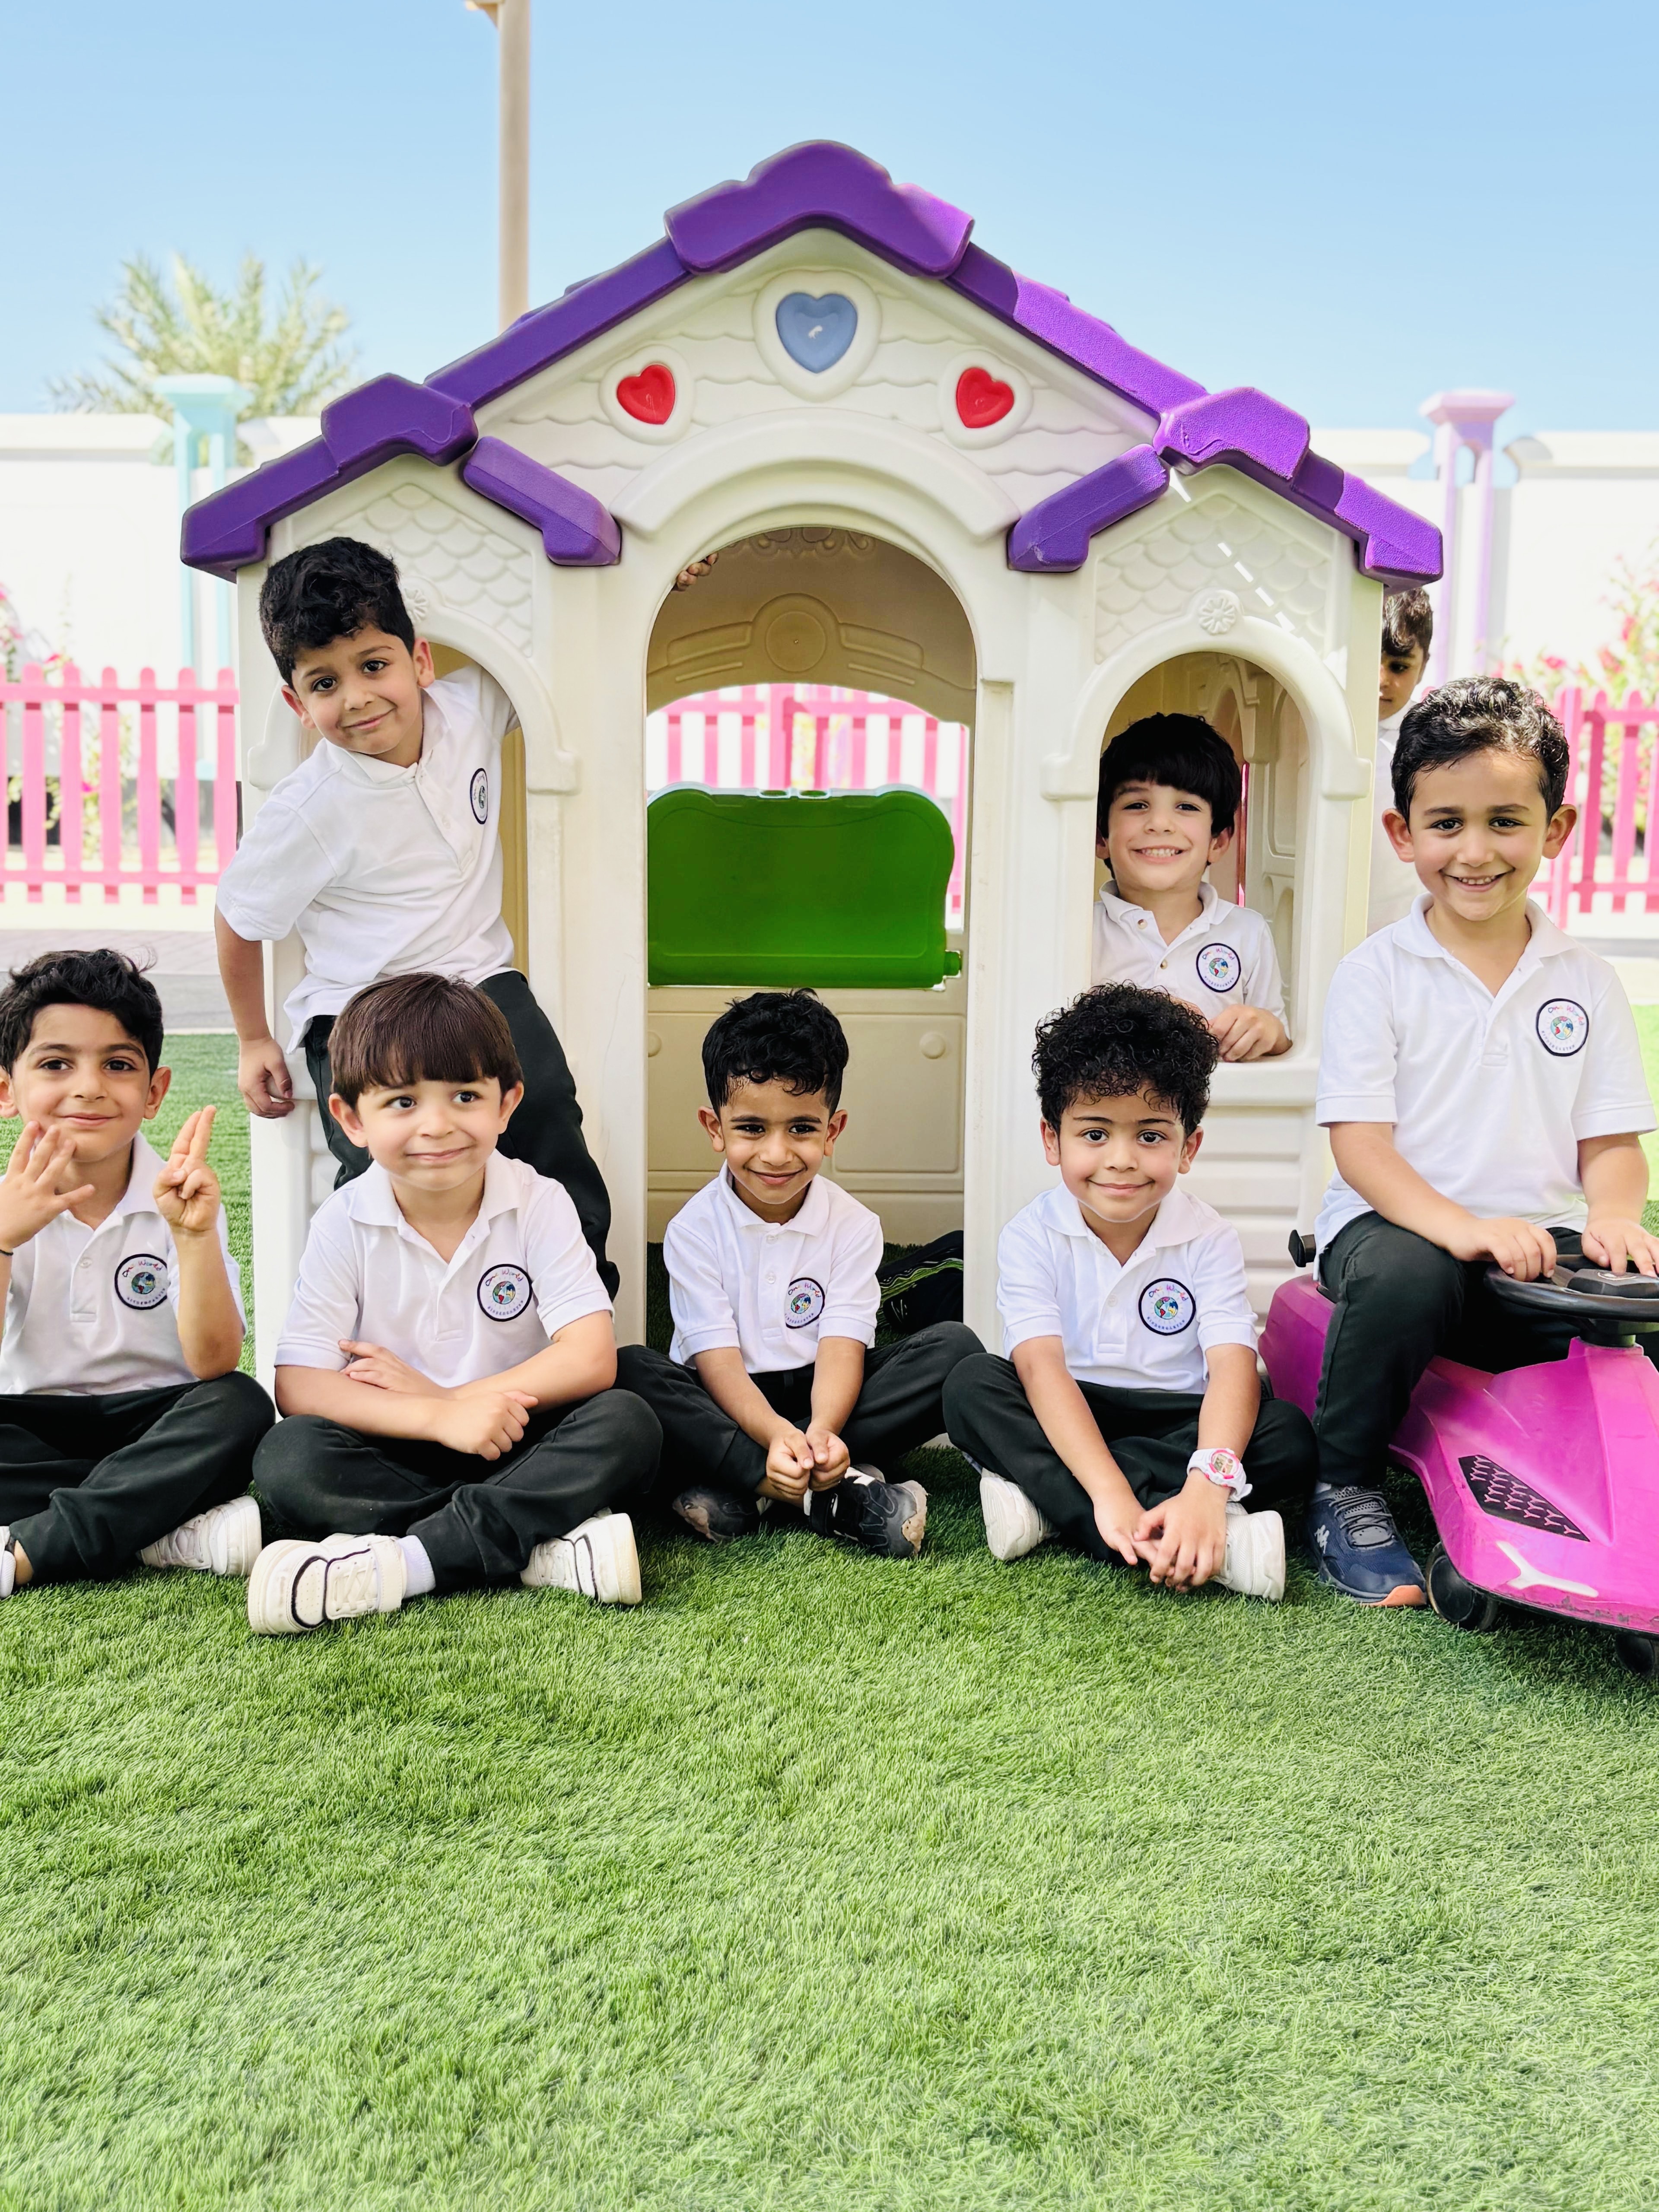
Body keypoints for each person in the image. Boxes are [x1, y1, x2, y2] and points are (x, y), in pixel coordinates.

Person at [1309, 677, 1659, 1604]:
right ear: (1403, 833)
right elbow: (1362, 1148)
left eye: (1505, 821)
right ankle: (1342, 1489)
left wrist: (1615, 1215)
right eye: (1446, 823)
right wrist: (1462, 1228)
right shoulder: (1376, 974)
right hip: (1394, 1232)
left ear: (1556, 828)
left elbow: (1612, 1144)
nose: (1474, 850)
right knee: (1410, 1277)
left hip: (1536, 1247)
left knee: (1639, 1300)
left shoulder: (1586, 980)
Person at [214, 535, 617, 1294]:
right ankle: (369, 1310)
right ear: (299, 706)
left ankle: (581, 1298)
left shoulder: (471, 708)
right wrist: (252, 1038)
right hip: (361, 1000)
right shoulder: (308, 809)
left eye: (374, 665)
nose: (358, 698)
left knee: (545, 1108)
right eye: (325, 682)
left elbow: (567, 633)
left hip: (476, 976)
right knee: (385, 1157)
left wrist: (661, 582)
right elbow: (238, 918)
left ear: (421, 662)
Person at [247, 972, 659, 1635]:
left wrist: (453, 1398)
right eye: (402, 1102)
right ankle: (541, 1549)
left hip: (519, 1435)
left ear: (507, 1103)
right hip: (399, 1444)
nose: (437, 1126)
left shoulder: (540, 1201)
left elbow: (590, 1358)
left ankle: (411, 1561)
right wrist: (435, 1417)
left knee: (627, 1421)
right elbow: (300, 1385)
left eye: (465, 1096)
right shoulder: (343, 1221)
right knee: (288, 1455)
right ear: (351, 1119)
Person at [944, 983, 1315, 1599]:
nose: (1121, 1160)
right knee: (971, 1385)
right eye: (1095, 1134)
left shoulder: (1209, 1237)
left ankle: (1052, 1509)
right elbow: (1041, 1370)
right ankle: (1214, 1543)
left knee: (1287, 1434)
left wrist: (1206, 1485)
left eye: (1150, 1136)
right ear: (1051, 1140)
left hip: (1177, 1418)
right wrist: (1111, 1492)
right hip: (1070, 1410)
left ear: (1188, 1147)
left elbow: (1231, 1369)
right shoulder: (1031, 1235)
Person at [616, 989, 981, 1556]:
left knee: (955, 1350)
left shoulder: (854, 1225)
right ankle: (827, 1492)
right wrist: (775, 1435)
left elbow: (841, 1347)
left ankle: (752, 1486)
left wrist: (822, 1432)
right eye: (752, 1128)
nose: (777, 1153)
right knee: (631, 1370)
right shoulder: (693, 1230)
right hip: (725, 1399)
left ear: (832, 1131)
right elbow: (717, 1362)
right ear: (715, 1127)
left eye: (802, 1129)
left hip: (825, 1398)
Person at [0, 950, 272, 1600]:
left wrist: (193, 1236)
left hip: (158, 1424)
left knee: (241, 1406)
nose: (89, 1087)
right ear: (6, 1089)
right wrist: (4, 1239)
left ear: (154, 1092)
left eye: (118, 1065)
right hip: (31, 1428)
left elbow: (213, 1362)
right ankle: (157, 1530)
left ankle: (26, 1551)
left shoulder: (180, 1197)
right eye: (56, 1064)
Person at [1091, 714, 1289, 1061]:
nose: (1160, 824)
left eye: (1186, 806)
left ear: (1219, 841)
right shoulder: (1082, 932)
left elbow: (1279, 1046)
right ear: (1101, 837)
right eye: (1137, 805)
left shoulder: (1248, 932)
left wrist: (1270, 1032)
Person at [1368, 589, 1434, 934]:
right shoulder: (1305, 727)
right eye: (1369, 661)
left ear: (1423, 667)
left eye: (1399, 667)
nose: (1381, 680)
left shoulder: (1433, 742)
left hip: (1407, 927)